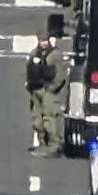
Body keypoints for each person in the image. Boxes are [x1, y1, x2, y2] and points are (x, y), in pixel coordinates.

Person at [26, 30, 67, 158]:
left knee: (50, 119)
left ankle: (54, 146)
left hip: (49, 90)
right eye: (41, 40)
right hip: (36, 89)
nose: (43, 43)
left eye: (45, 40)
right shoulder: (34, 53)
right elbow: (30, 69)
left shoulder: (55, 55)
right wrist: (29, 85)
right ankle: (43, 142)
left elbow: (61, 74)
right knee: (37, 120)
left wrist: (52, 88)